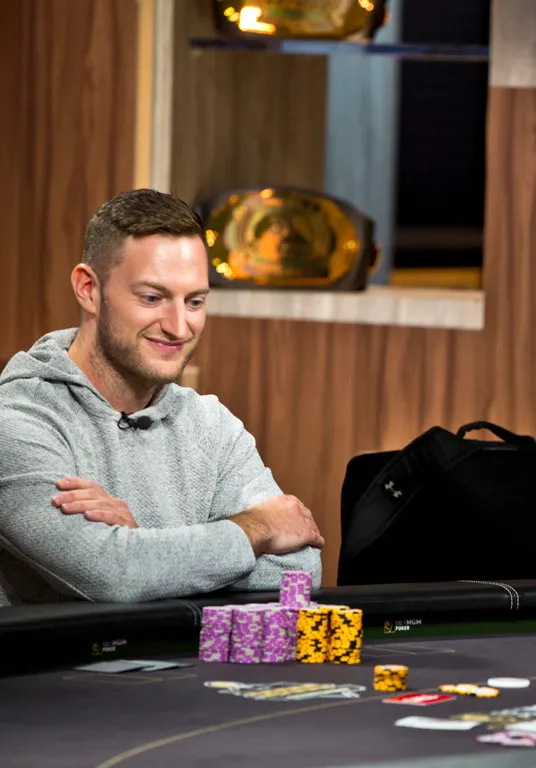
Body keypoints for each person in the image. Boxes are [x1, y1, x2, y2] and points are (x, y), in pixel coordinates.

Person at [0, 189, 324, 607]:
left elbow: (299, 569)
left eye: (195, 301)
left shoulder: (213, 425)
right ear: (89, 289)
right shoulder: (17, 421)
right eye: (152, 298)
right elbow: (110, 574)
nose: (178, 327)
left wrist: (144, 545)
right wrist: (256, 528)